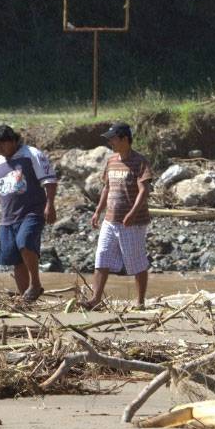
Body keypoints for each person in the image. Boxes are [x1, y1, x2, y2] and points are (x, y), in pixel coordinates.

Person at [0, 125, 57, 301]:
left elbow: (50, 181)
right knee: (16, 259)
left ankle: (35, 283)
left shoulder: (31, 155)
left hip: (32, 212)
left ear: (13, 140)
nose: (0, 149)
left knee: (25, 242)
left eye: (2, 145)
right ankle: (26, 300)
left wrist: (50, 205)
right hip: (8, 218)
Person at [83, 122, 153, 310]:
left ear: (124, 139)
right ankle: (95, 298)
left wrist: (132, 213)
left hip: (132, 222)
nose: (110, 142)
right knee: (102, 257)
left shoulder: (140, 161)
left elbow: (144, 190)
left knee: (136, 261)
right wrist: (98, 210)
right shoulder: (112, 160)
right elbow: (107, 187)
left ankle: (140, 302)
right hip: (110, 219)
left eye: (113, 138)